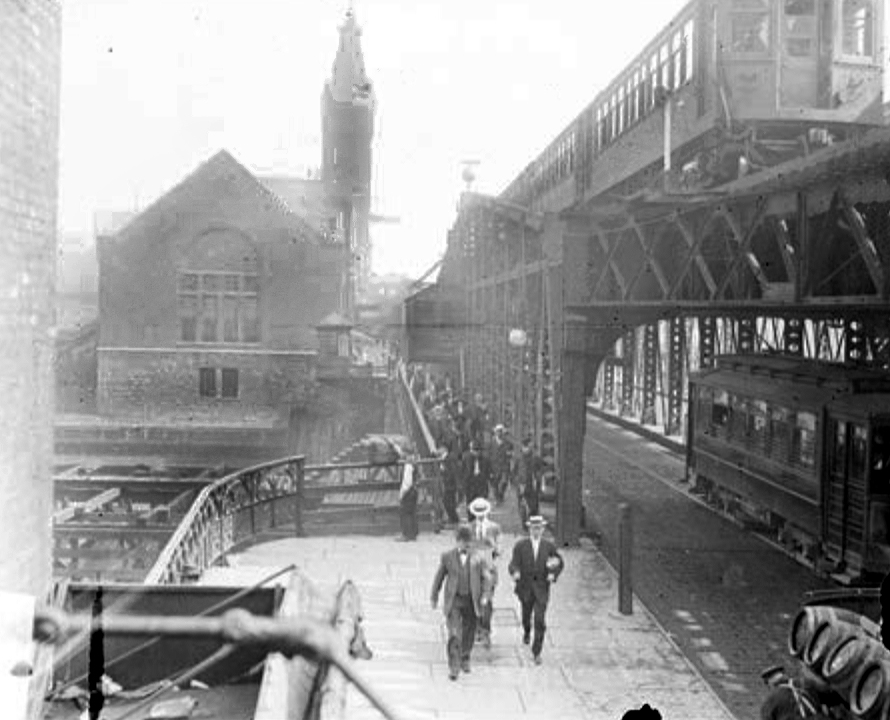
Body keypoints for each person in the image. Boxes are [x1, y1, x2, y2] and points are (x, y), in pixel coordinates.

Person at [430, 525, 490, 680]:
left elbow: (486, 577)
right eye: (463, 542)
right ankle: (454, 666)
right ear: (457, 542)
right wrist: (434, 596)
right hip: (454, 600)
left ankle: (465, 657)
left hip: (471, 600)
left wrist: (485, 595)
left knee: (469, 631)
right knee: (454, 633)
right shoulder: (447, 557)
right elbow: (439, 577)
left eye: (468, 542)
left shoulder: (478, 557)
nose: (466, 545)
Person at [508, 515, 564, 665]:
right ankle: (527, 630)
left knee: (540, 619)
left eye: (539, 528)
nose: (536, 531)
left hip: (541, 589)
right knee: (527, 615)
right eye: (534, 528)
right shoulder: (521, 546)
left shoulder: (549, 546)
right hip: (525, 588)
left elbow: (559, 562)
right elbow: (513, 563)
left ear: (543, 529)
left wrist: (553, 574)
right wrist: (515, 572)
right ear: (529, 529)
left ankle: (537, 651)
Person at [468, 497, 501, 649]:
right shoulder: (469, 528)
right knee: (474, 598)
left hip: (489, 569)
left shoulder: (495, 528)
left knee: (486, 600)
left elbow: (500, 550)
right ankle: (477, 629)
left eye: (482, 512)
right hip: (474, 569)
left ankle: (486, 631)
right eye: (477, 512)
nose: (480, 515)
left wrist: (493, 546)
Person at [513, 437, 543, 525]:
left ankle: (532, 520)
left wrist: (539, 482)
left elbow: (540, 471)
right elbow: (514, 472)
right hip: (522, 485)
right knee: (522, 505)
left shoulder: (536, 458)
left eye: (529, 447)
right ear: (522, 447)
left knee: (533, 506)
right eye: (525, 447)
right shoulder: (518, 458)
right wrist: (517, 483)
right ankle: (524, 522)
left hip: (532, 485)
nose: (527, 449)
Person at [462, 440, 492, 521]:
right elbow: (462, 471)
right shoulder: (466, 458)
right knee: (470, 503)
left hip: (481, 484)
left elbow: (489, 471)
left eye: (477, 450)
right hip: (470, 484)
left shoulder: (485, 459)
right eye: (474, 450)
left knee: (481, 503)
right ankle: (471, 520)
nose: (476, 453)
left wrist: (489, 479)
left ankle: (482, 519)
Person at [489, 424, 513, 504]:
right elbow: (488, 455)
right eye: (498, 432)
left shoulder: (508, 443)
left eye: (501, 432)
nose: (499, 433)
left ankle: (501, 495)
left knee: (504, 482)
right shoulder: (491, 443)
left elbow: (510, 455)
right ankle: (498, 498)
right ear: (495, 432)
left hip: (504, 466)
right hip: (494, 467)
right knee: (494, 484)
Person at [397, 453, 419, 541]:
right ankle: (413, 533)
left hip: (409, 491)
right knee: (412, 512)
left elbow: (407, 482)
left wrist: (401, 494)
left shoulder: (408, 466)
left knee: (405, 512)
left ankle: (406, 534)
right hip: (414, 490)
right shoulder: (414, 464)